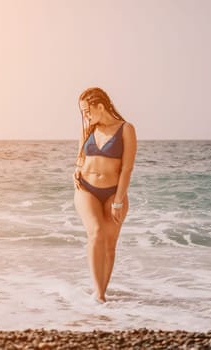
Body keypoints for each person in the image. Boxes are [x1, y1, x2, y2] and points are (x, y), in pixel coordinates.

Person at [73, 87, 137, 303]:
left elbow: (127, 169)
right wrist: (76, 169)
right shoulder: (87, 130)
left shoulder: (126, 129)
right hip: (86, 189)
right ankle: (98, 295)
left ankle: (102, 291)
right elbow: (79, 157)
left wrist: (118, 200)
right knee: (96, 232)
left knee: (110, 243)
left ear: (100, 106)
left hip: (114, 192)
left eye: (87, 111)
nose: (85, 116)